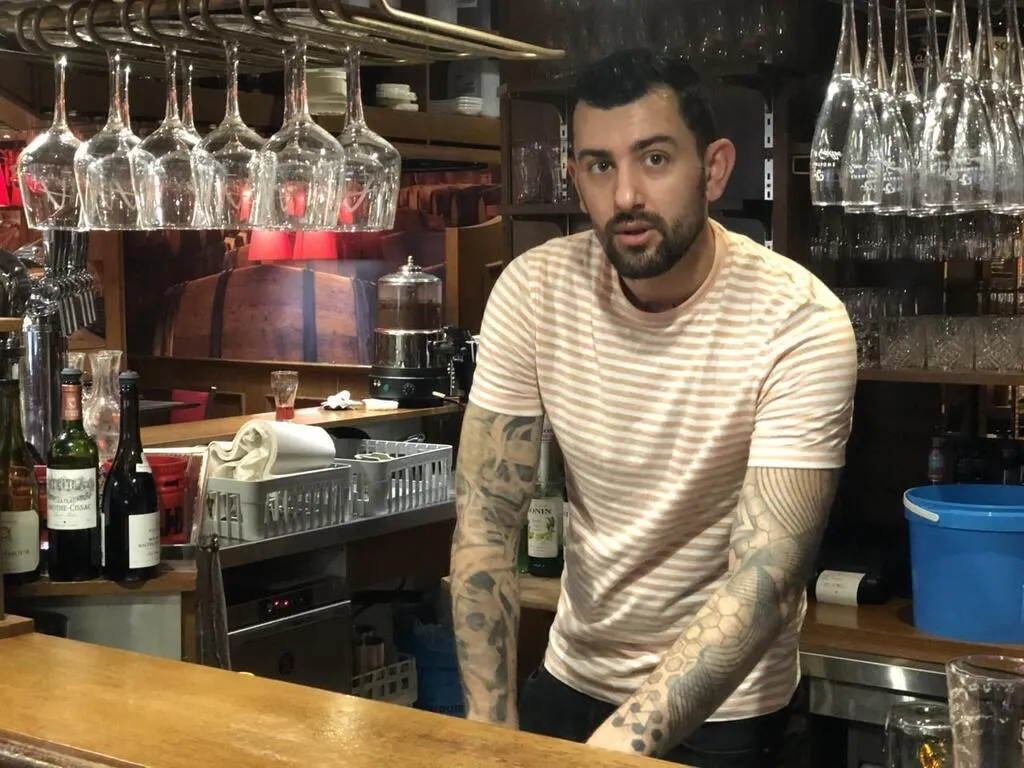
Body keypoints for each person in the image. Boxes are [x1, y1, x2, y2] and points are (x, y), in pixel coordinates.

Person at [449, 48, 857, 768]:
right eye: (599, 166)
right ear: (575, 177)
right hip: (575, 676)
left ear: (714, 169)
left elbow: (765, 579)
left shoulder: (798, 320)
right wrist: (490, 734)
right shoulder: (534, 291)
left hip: (729, 708)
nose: (627, 194)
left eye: (656, 158)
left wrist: (610, 755)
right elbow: (484, 527)